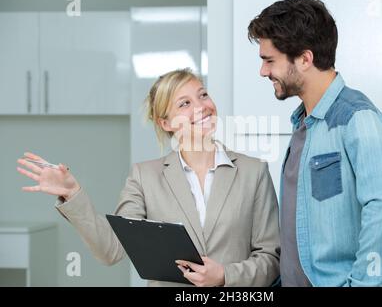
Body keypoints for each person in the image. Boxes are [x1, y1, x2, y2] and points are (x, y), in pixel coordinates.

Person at [16, 68, 280, 287]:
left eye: (203, 95)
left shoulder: (253, 171)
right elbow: (112, 251)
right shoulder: (145, 176)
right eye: (185, 103)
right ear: (165, 123)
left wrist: (225, 276)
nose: (202, 107)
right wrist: (73, 194)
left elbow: (272, 258)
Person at [247, 0, 382, 287]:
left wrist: (361, 284)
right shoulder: (302, 125)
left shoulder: (357, 119)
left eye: (269, 60)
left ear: (305, 59)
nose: (263, 71)